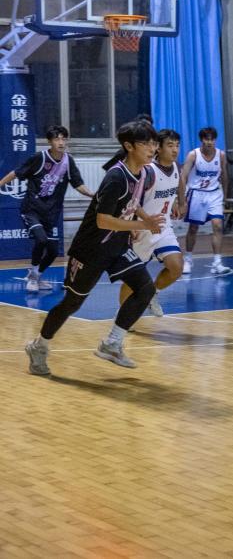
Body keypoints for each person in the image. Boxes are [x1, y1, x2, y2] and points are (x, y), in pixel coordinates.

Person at [24, 120, 163, 376]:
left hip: (117, 245)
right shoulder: (116, 177)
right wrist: (142, 224)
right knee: (72, 303)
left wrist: (141, 219)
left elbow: (132, 201)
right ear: (129, 146)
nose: (153, 148)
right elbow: (103, 220)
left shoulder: (144, 173)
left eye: (154, 143)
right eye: (146, 143)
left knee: (145, 289)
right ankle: (39, 346)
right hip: (91, 249)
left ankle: (112, 343)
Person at [0, 125, 93, 292]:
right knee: (41, 240)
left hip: (51, 213)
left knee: (52, 251)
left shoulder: (68, 161)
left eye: (63, 139)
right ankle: (33, 278)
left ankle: (36, 275)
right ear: (49, 141)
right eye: (57, 139)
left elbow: (78, 184)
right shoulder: (39, 158)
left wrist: (92, 194)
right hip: (32, 209)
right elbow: (16, 172)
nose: (61, 142)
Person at [118, 128, 184, 317]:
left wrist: (180, 201)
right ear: (158, 149)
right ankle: (122, 317)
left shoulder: (176, 167)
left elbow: (180, 182)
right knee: (132, 279)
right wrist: (135, 224)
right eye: (170, 145)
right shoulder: (148, 171)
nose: (175, 149)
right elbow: (132, 200)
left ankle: (152, 293)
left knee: (176, 267)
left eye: (177, 145)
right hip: (141, 229)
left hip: (163, 227)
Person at [178, 127, 231, 275]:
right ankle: (188, 259)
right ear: (202, 140)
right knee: (193, 228)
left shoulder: (221, 155)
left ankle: (217, 262)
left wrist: (226, 195)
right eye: (206, 139)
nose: (209, 142)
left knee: (218, 225)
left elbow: (225, 175)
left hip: (214, 194)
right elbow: (183, 176)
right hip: (196, 193)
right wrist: (181, 199)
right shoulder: (193, 155)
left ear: (215, 140)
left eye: (212, 139)